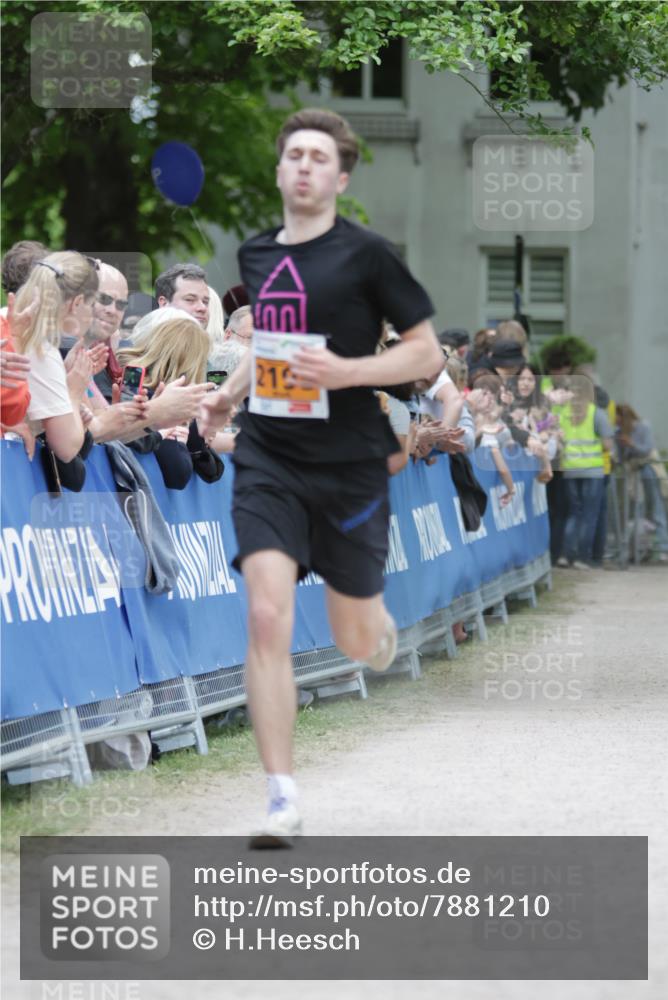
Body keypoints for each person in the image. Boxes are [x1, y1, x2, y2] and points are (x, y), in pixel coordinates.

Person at [200, 107, 443, 846]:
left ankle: (376, 628)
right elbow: (273, 338)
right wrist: (227, 393)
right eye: (293, 155)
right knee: (267, 614)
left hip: (350, 464)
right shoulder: (255, 255)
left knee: (352, 637)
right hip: (270, 456)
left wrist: (349, 372)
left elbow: (426, 353)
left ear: (339, 177)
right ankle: (281, 796)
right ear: (280, 171)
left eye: (319, 158)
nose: (304, 166)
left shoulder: (370, 257)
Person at [557, 377, 614, 569]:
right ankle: (582, 558)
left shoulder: (563, 413)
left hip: (570, 470)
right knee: (589, 515)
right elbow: (607, 445)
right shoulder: (596, 413)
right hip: (592, 471)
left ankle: (565, 554)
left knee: (574, 513)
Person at [616, 404, 668, 562]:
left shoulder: (643, 427)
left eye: (618, 420)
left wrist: (631, 444)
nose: (616, 423)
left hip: (648, 471)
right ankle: (635, 549)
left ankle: (664, 547)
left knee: (656, 508)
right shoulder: (618, 433)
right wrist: (623, 446)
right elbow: (622, 457)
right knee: (635, 511)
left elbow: (647, 449)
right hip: (633, 473)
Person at [155, 263, 210, 328]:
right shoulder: (144, 337)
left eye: (205, 302)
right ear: (164, 303)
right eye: (190, 300)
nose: (202, 308)